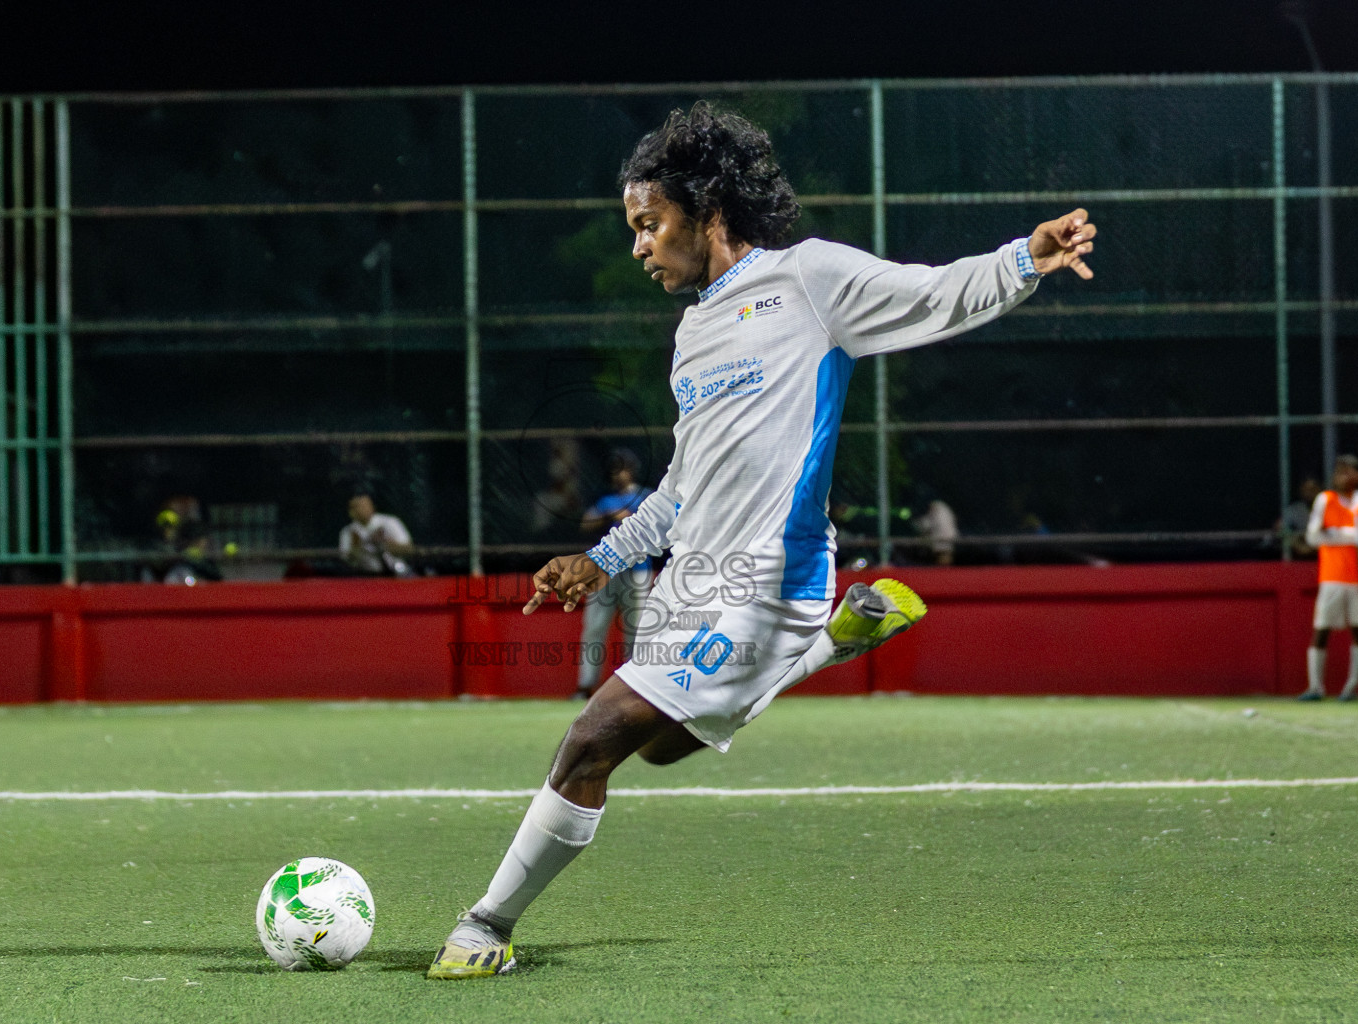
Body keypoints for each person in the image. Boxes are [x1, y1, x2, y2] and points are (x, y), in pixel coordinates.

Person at [427, 102, 1098, 979]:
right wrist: (600, 559)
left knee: (594, 737)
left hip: (769, 583)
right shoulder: (693, 333)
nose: (639, 246)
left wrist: (1025, 259)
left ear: (707, 210)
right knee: (657, 745)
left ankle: (485, 926)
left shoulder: (807, 279)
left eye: (649, 223)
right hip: (694, 582)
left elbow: (931, 293)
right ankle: (830, 644)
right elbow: (680, 490)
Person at [572, 448, 654, 700]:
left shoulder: (645, 496)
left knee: (636, 629)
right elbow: (586, 522)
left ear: (631, 471)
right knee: (594, 628)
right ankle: (586, 685)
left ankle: (633, 687)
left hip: (637, 570)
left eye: (623, 469)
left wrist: (631, 518)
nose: (619, 475)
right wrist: (610, 516)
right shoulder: (606, 500)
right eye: (615, 470)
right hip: (605, 571)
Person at [1300, 455, 1358, 701]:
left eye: (1347, 471)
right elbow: (1313, 537)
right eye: (1338, 471)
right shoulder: (1325, 499)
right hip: (1331, 577)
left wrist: (1334, 534)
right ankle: (1315, 688)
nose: (1341, 476)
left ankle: (1351, 688)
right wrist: (1349, 535)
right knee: (1322, 630)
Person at [338, 492, 415, 578]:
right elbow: (348, 561)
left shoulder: (390, 522)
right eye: (355, 507)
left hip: (397, 574)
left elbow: (409, 550)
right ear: (350, 512)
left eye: (364, 506)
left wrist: (384, 543)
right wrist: (355, 546)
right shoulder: (347, 532)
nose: (360, 510)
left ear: (372, 507)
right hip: (366, 577)